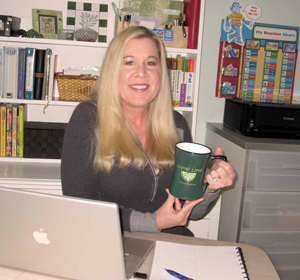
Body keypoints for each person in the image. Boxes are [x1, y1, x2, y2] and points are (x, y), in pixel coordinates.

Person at [61, 26, 236, 236]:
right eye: (129, 62)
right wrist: (153, 222)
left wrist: (210, 187)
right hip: (110, 239)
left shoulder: (176, 125)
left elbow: (190, 210)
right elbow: (80, 205)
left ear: (161, 73)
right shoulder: (89, 118)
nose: (141, 73)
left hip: (170, 243)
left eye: (151, 63)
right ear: (112, 70)